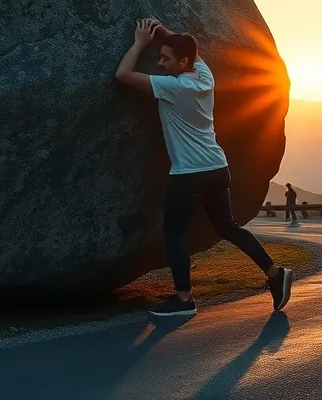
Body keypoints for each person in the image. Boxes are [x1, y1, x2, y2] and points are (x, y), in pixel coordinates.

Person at [114, 18, 296, 318]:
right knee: (227, 227)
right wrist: (162, 32)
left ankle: (184, 300)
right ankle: (276, 273)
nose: (159, 63)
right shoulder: (203, 75)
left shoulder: (173, 87)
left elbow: (122, 75)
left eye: (165, 58)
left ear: (182, 62)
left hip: (190, 173)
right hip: (216, 167)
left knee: (173, 231)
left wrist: (139, 43)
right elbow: (192, 51)